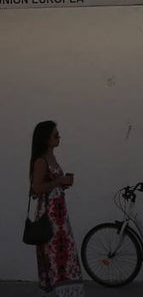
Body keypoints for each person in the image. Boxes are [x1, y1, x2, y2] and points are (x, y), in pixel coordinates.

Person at [29, 120, 85, 297]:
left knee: (65, 255)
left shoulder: (51, 158)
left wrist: (61, 185)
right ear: (46, 139)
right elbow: (37, 188)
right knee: (55, 258)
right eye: (55, 134)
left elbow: (47, 185)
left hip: (59, 217)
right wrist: (59, 182)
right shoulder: (41, 161)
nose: (58, 136)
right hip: (50, 218)